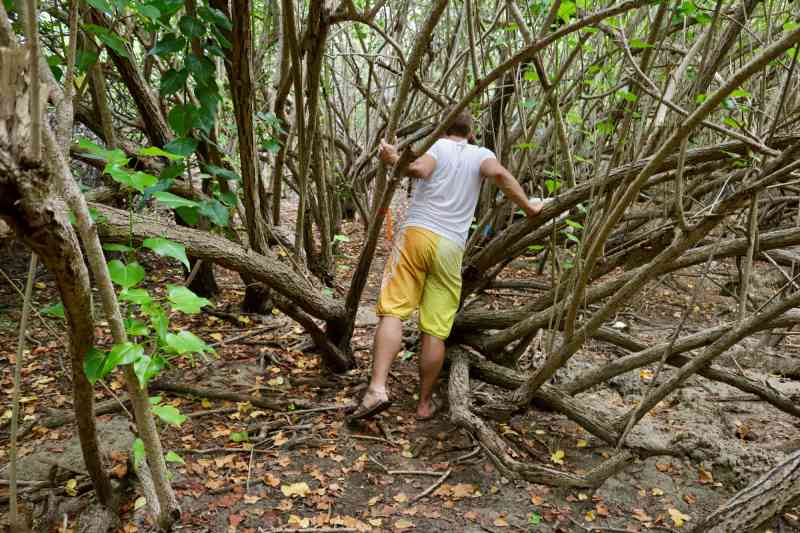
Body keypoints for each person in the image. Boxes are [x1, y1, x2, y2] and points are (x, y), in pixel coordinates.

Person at [347, 109, 543, 422]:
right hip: (451, 247)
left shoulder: (437, 145)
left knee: (393, 312)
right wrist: (529, 207)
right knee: (435, 330)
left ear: (443, 129)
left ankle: (377, 389)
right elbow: (502, 176)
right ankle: (424, 404)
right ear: (471, 133)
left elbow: (419, 169)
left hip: (416, 236)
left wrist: (394, 159)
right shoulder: (481, 155)